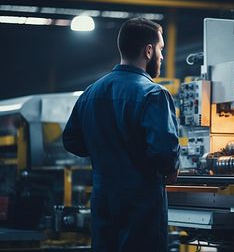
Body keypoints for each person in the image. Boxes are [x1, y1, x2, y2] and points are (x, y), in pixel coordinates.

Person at [62, 18, 180, 252]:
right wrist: (170, 169)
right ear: (148, 50)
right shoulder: (153, 94)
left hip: (103, 202)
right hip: (142, 208)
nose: (162, 56)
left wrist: (104, 152)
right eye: (160, 49)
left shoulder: (91, 93)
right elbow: (165, 153)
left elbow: (71, 140)